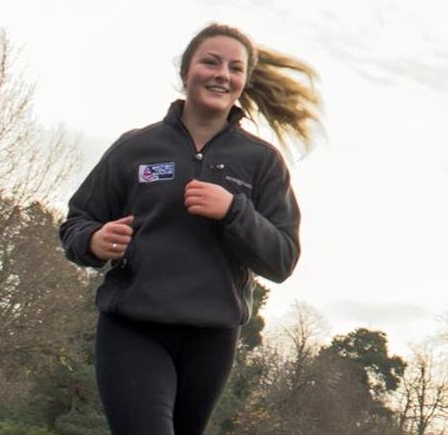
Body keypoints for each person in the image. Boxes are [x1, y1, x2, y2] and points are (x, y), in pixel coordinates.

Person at [59, 23, 321, 435]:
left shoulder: (261, 161)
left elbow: (282, 259)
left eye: (235, 68)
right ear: (186, 72)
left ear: (243, 82)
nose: (222, 74)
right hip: (133, 327)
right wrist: (94, 240)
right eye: (210, 62)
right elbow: (76, 222)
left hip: (211, 338)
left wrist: (234, 210)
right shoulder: (136, 148)